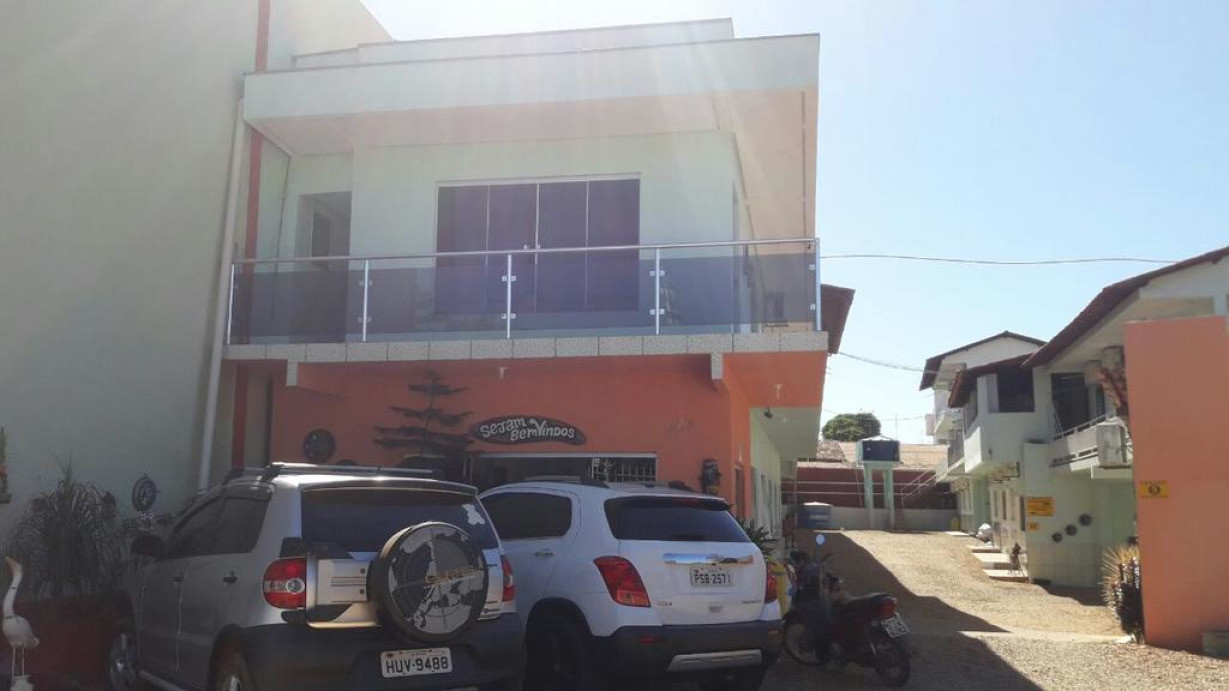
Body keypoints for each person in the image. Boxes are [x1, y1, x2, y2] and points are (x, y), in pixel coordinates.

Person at [788, 549, 833, 663]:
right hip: (816, 602)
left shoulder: (805, 570)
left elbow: (794, 589)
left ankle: (823, 652)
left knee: (818, 625)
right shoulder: (810, 568)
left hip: (811, 602)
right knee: (822, 624)